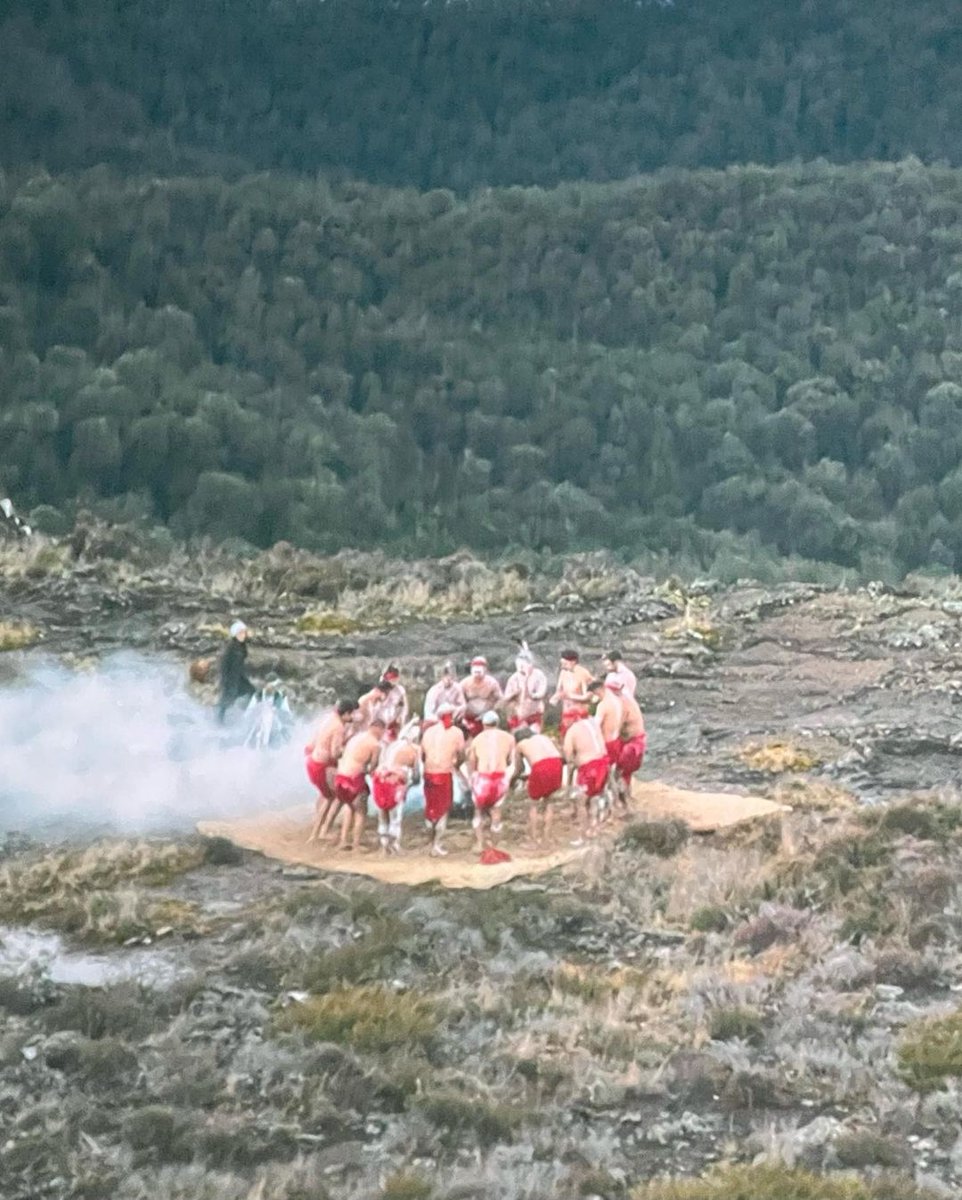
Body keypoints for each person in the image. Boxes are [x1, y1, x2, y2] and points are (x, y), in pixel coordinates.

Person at [325, 718, 384, 852]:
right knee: (361, 812)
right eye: (382, 731)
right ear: (379, 729)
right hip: (353, 780)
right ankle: (356, 844)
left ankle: (343, 840)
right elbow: (373, 766)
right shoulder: (375, 744)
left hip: (340, 778)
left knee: (349, 807)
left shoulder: (357, 737)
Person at [306, 699, 358, 843]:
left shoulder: (330, 718)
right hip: (323, 764)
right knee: (337, 796)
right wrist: (350, 747)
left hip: (313, 760)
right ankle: (320, 832)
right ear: (346, 713)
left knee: (327, 796)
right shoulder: (338, 727)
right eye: (351, 714)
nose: (353, 717)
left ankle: (319, 830)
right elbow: (335, 752)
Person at [466, 711, 516, 853]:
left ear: (483, 724)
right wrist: (508, 777)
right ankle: (495, 846)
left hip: (483, 779)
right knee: (496, 813)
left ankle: (480, 843)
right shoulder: (509, 738)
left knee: (478, 813)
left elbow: (471, 763)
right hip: (500, 778)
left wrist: (471, 779)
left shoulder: (477, 739)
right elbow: (513, 763)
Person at [420, 703, 466, 856]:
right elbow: (461, 754)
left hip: (428, 773)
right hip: (443, 773)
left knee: (430, 808)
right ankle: (436, 844)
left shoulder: (428, 732)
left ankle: (429, 841)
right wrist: (456, 766)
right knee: (443, 809)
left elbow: (422, 755)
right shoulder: (456, 732)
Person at [372, 720, 420, 855]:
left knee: (382, 816)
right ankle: (395, 846)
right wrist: (409, 783)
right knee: (395, 817)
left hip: (380, 780)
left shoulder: (390, 746)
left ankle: (383, 847)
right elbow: (416, 775)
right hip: (395, 783)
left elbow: (380, 764)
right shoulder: (414, 750)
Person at [562, 713, 611, 844]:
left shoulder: (572, 731)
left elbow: (568, 756)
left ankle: (582, 836)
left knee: (581, 803)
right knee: (595, 798)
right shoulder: (593, 724)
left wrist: (572, 770)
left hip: (589, 769)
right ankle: (595, 829)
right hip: (604, 764)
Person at [514, 726, 564, 848]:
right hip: (557, 763)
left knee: (534, 804)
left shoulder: (521, 744)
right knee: (549, 801)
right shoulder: (544, 738)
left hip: (541, 766)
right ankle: (547, 838)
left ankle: (533, 840)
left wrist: (514, 778)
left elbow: (519, 768)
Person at [613, 685, 647, 807]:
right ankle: (625, 797)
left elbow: (616, 726)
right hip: (631, 741)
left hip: (633, 744)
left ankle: (623, 801)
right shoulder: (626, 698)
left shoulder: (623, 704)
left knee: (620, 772)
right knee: (625, 773)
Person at [502, 646, 548, 733]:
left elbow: (541, 693)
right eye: (519, 665)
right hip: (518, 712)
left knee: (534, 735)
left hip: (534, 711)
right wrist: (514, 694)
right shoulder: (513, 678)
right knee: (518, 735)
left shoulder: (539, 675)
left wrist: (527, 684)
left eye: (523, 665)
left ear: (530, 664)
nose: (520, 668)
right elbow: (506, 697)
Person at [217, 620, 255, 723]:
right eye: (240, 633)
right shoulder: (232, 648)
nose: (243, 635)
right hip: (231, 677)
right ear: (235, 634)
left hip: (239, 675)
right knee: (227, 699)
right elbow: (225, 664)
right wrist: (225, 679)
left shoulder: (241, 646)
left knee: (252, 692)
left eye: (244, 632)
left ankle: (247, 714)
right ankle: (219, 719)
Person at [550, 649, 593, 737]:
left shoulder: (583, 673)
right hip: (566, 711)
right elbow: (559, 690)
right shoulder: (563, 672)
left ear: (573, 662)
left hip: (579, 712)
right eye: (562, 664)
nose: (563, 666)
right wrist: (555, 697)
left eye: (565, 664)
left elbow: (588, 696)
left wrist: (570, 696)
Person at [244, 676, 293, 750]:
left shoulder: (281, 697)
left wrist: (277, 711)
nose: (273, 687)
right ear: (266, 684)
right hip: (258, 729)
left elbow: (288, 715)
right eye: (271, 685)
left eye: (275, 685)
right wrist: (257, 709)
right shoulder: (258, 696)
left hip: (275, 731)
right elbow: (247, 714)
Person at [460, 656, 503, 739]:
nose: (477, 673)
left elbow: (501, 700)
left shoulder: (492, 683)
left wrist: (493, 710)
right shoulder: (464, 683)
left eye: (479, 670)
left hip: (487, 716)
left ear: (485, 670)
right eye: (475, 670)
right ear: (471, 670)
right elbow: (458, 700)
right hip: (468, 717)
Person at [379, 664, 409, 740]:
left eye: (396, 679)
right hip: (382, 720)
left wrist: (401, 717)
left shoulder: (400, 690)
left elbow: (405, 706)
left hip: (395, 721)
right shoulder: (380, 690)